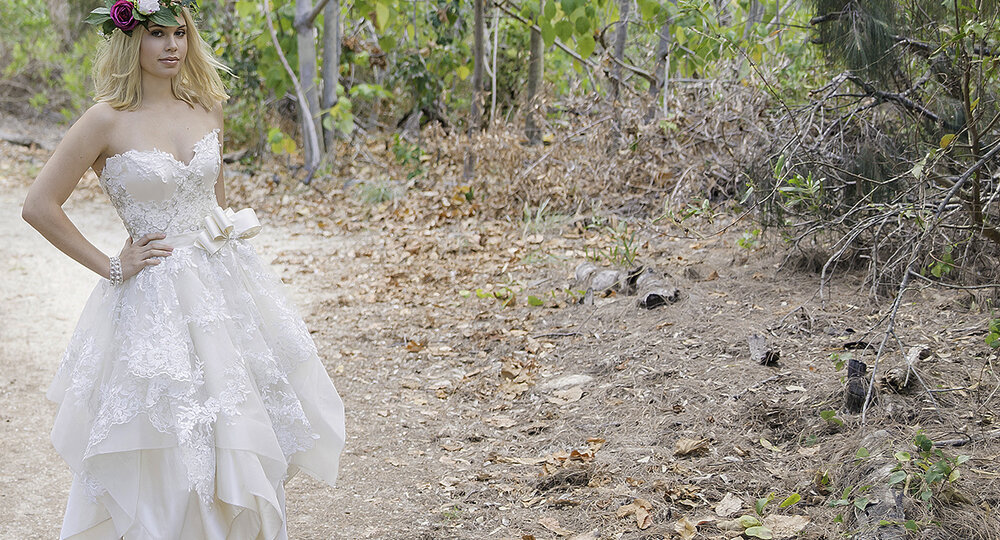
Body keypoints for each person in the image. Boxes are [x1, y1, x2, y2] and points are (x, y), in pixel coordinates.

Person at [21, 1, 345, 538]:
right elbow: (39, 205)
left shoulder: (208, 107)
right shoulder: (105, 119)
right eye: (157, 34)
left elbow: (216, 207)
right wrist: (111, 265)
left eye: (180, 33)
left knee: (231, 433)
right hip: (152, 298)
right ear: (131, 41)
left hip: (221, 288)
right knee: (164, 435)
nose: (172, 45)